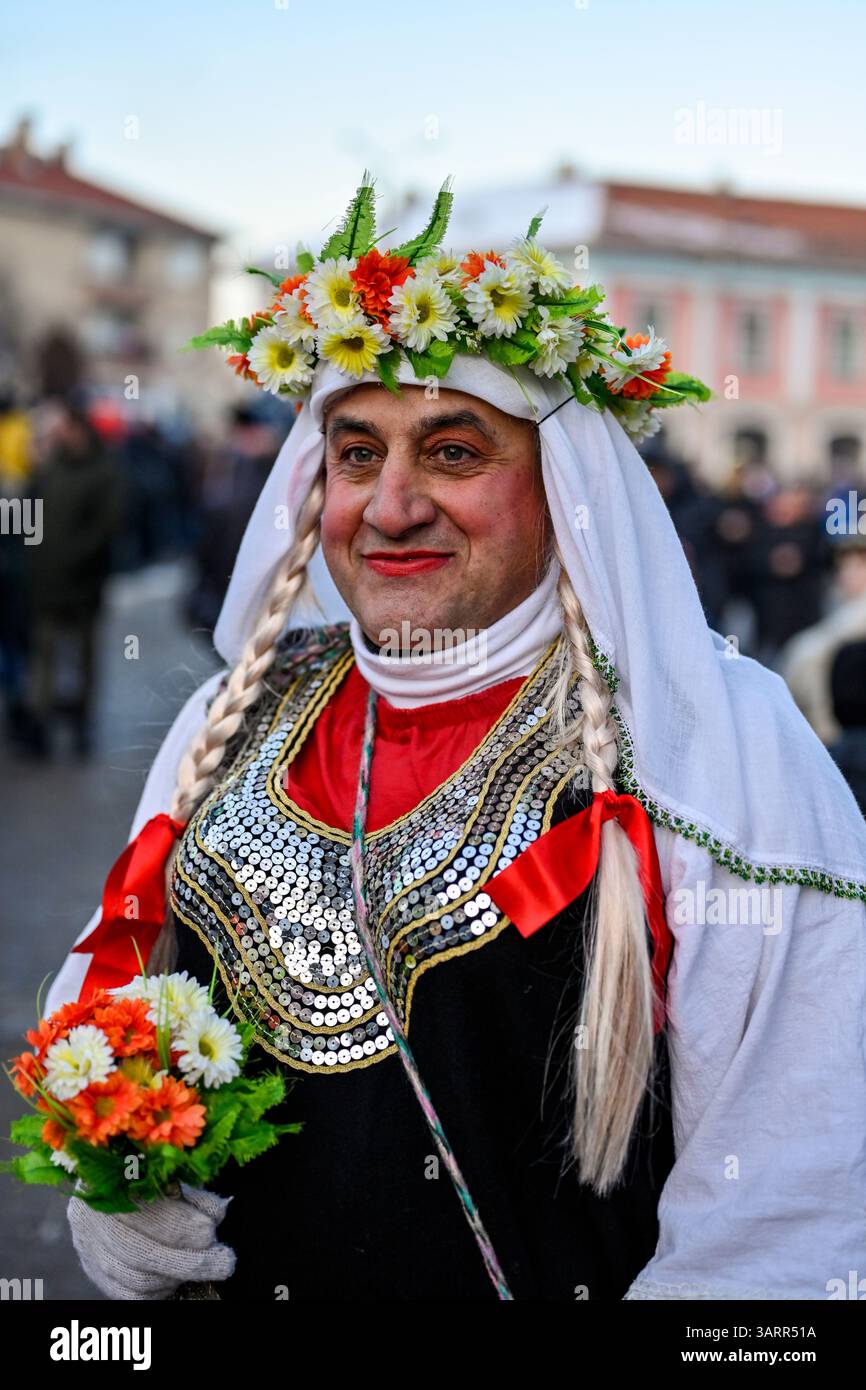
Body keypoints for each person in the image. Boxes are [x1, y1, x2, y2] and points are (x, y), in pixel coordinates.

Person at [47, 176, 866, 1301]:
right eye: (354, 453)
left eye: (451, 451)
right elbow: (107, 999)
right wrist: (112, 1173)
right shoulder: (232, 716)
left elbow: (792, 1182)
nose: (389, 506)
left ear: (563, 488)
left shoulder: (707, 742)